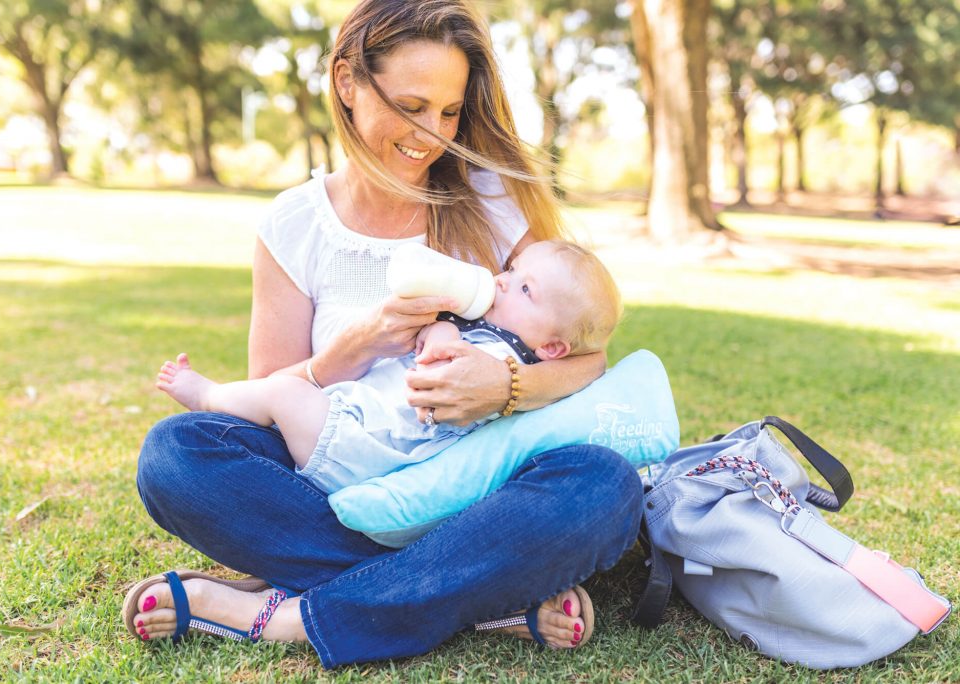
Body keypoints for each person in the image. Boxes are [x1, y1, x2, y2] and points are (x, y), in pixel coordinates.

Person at [127, 0, 643, 667]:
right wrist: (350, 350)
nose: (431, 134)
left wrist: (505, 384)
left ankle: (280, 616)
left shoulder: (493, 202)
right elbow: (269, 415)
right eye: (411, 104)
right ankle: (482, 594)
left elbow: (587, 359)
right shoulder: (295, 226)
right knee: (175, 455)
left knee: (603, 487)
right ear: (348, 82)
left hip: (478, 496)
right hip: (346, 482)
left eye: (450, 111)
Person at [154, 240, 622, 495]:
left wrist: (496, 378)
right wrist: (438, 330)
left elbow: (450, 377)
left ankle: (210, 396)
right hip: (355, 429)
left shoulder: (502, 357)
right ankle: (414, 579)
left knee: (281, 394)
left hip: (369, 450)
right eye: (513, 269)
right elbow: (439, 344)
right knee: (174, 451)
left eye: (525, 289)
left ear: (555, 348)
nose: (502, 279)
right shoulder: (481, 332)